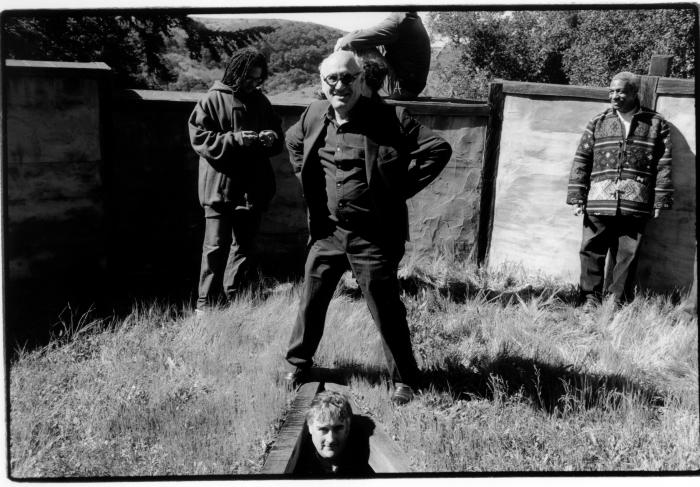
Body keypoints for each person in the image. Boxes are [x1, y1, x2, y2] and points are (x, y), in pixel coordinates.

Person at [283, 51, 452, 404]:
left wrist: (397, 190)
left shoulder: (391, 117)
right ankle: (298, 364)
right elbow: (293, 141)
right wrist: (307, 178)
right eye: (333, 79)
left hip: (373, 235)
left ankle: (405, 378)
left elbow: (437, 148)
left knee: (385, 306)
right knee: (311, 301)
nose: (340, 85)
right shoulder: (315, 114)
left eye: (348, 78)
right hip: (327, 232)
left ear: (360, 80)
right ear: (322, 83)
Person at [567, 71, 673, 310]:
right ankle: (589, 300)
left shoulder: (655, 123)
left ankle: (616, 303)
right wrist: (577, 195)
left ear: (634, 93)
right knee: (591, 249)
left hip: (635, 201)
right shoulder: (598, 121)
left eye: (620, 91)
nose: (614, 96)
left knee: (627, 254)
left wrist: (660, 199)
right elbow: (581, 159)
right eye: (611, 91)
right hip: (598, 199)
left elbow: (664, 162)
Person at [188, 48, 283, 313]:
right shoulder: (210, 101)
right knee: (216, 247)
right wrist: (237, 139)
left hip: (252, 190)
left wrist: (272, 138)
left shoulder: (261, 102)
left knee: (244, 247)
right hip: (219, 189)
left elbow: (277, 132)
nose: (253, 84)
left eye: (258, 79)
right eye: (249, 78)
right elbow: (200, 140)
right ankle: (206, 307)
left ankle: (235, 302)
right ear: (235, 73)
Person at [334, 11, 430, 100]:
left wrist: (341, 41)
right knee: (368, 43)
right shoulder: (413, 19)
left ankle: (339, 86)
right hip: (411, 88)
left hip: (401, 89)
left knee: (357, 45)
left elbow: (350, 41)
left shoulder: (399, 20)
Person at [295, 390, 372, 475]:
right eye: (323, 429)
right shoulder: (299, 462)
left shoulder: (359, 459)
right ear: (310, 427)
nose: (331, 439)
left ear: (348, 428)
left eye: (338, 428)